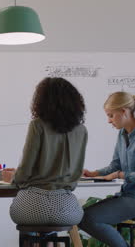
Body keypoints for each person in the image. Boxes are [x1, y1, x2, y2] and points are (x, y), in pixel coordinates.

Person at [79, 92, 135, 247]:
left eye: (111, 115)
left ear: (124, 112)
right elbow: (115, 165)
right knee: (84, 217)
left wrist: (120, 175)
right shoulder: (122, 134)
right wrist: (94, 173)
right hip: (129, 195)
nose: (109, 121)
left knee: (88, 218)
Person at [10, 77, 87, 227]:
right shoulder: (82, 130)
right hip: (68, 209)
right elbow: (77, 171)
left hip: (33, 206)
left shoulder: (37, 125)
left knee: (28, 213)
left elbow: (25, 169)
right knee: (47, 225)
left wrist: (13, 177)